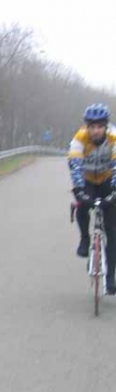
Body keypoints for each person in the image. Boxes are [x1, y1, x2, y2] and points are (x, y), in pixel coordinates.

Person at [68, 103, 116, 294]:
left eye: (99, 126)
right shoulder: (79, 139)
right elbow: (75, 165)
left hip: (106, 180)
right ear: (86, 126)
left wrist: (114, 192)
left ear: (105, 126)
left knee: (113, 232)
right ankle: (85, 239)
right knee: (81, 205)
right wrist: (79, 190)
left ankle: (110, 277)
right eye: (92, 126)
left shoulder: (113, 138)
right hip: (87, 179)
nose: (95, 130)